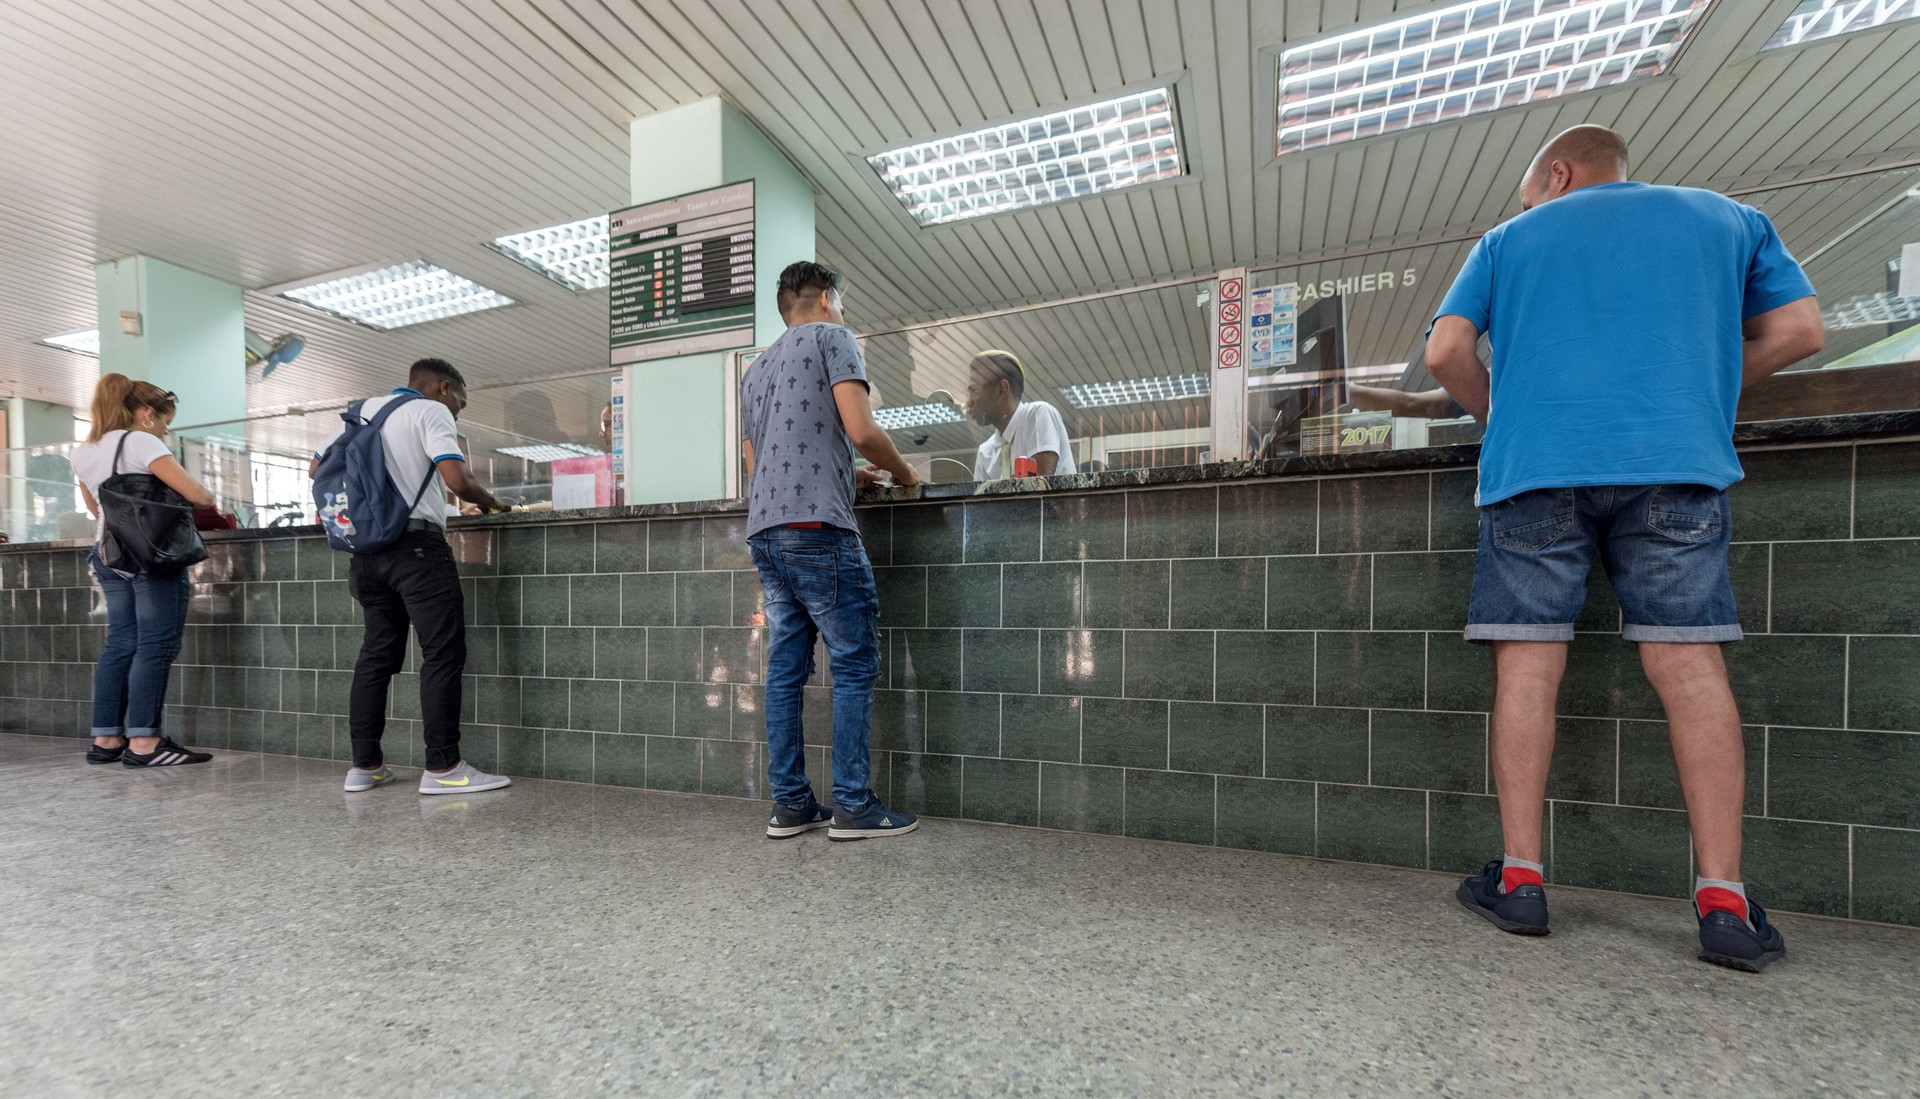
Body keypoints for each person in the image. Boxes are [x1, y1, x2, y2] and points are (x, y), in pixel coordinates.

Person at [1426, 125, 1825, 971]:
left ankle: (1524, 882)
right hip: (1675, 465)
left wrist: (1506, 419)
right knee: (1689, 668)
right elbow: (1799, 331)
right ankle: (1724, 903)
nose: (1527, 209)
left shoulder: (1507, 240)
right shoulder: (1730, 220)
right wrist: (1703, 385)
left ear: (1557, 174)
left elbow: (1447, 352)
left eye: (1530, 192)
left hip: (1534, 473)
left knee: (1526, 668)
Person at [741, 261, 923, 840]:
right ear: (824, 298)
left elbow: (758, 463)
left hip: (767, 530)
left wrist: (849, 477)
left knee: (785, 672)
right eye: (839, 301)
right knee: (853, 663)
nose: (841, 311)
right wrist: (904, 472)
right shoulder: (834, 337)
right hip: (818, 529)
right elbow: (862, 431)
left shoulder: (756, 367)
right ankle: (854, 805)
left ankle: (791, 804)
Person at [310, 358, 514, 795]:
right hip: (417, 550)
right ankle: (443, 769)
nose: (459, 410)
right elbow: (457, 479)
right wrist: (493, 503)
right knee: (441, 653)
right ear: (443, 388)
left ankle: (364, 766)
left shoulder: (358, 413)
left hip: (364, 554)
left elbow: (316, 469)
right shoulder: (430, 411)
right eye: (460, 400)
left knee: (376, 657)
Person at [71, 375, 217, 768]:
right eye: (165, 421)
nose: (166, 429)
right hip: (150, 557)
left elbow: (93, 509)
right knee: (155, 645)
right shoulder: (142, 441)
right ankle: (144, 744)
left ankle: (105, 739)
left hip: (108, 554)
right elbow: (200, 496)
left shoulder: (83, 450)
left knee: (120, 643)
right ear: (147, 414)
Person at [965, 350, 1076, 479]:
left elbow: (1039, 490)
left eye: (975, 390)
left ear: (1002, 389)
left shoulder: (1038, 416)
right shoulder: (986, 452)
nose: (969, 402)